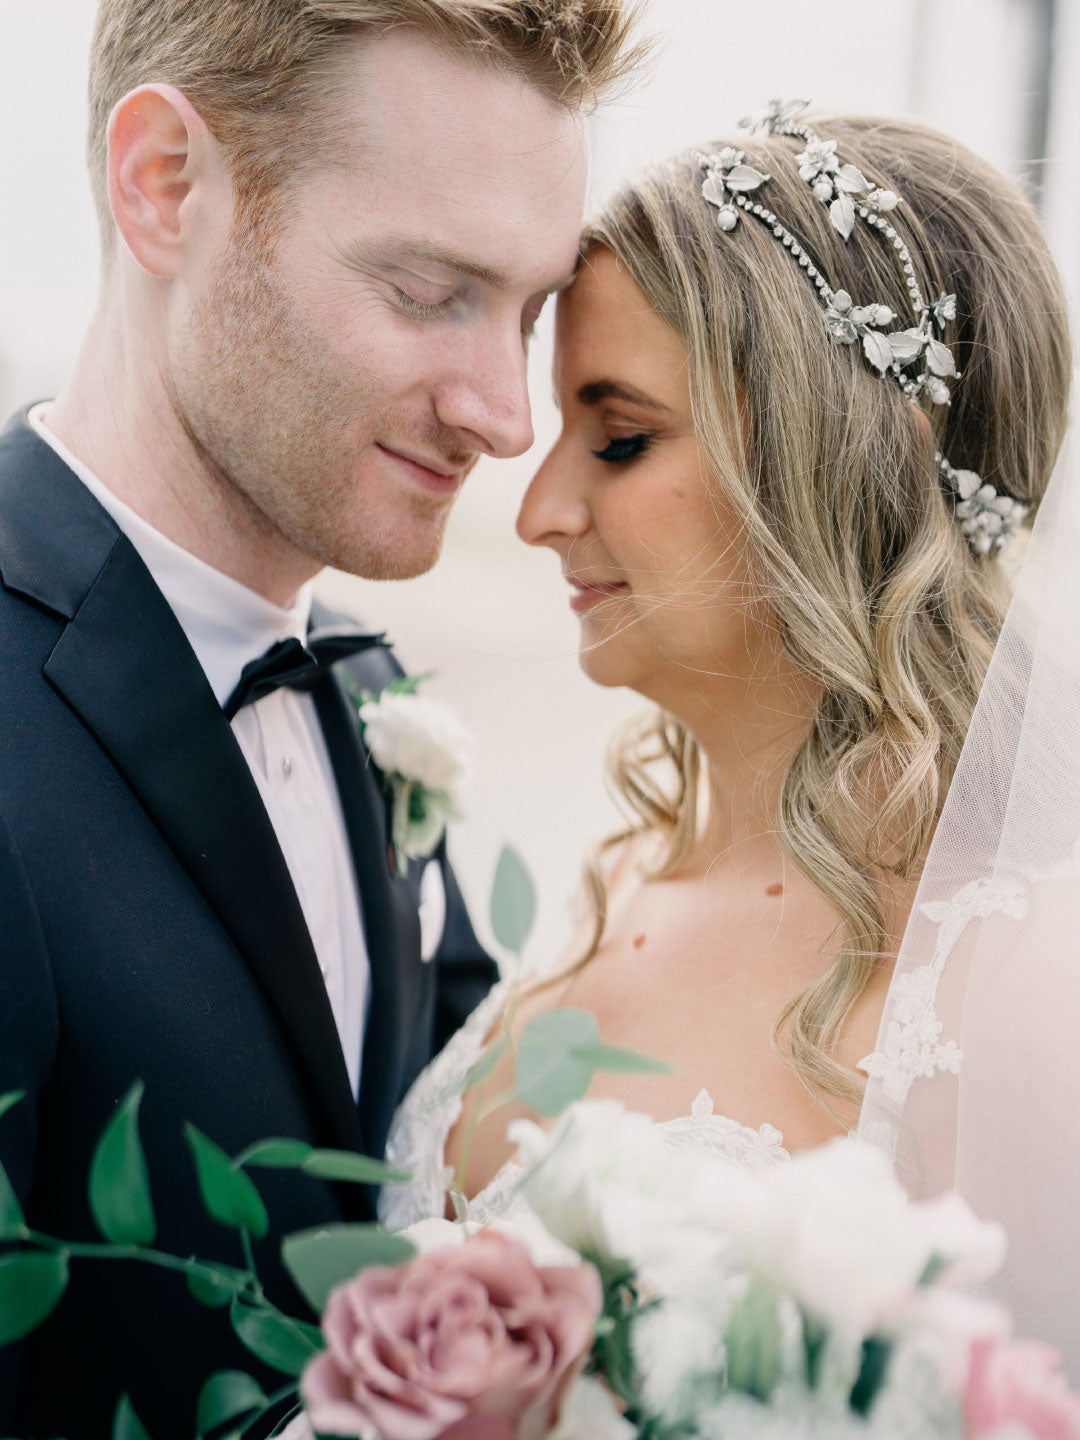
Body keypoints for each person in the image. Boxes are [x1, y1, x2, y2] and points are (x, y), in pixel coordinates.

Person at [0, 3, 643, 1436]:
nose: (503, 410)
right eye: (430, 292)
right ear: (167, 184)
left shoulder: (364, 683)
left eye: (530, 311)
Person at [379, 103, 1073, 1327]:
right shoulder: (620, 876)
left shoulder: (1015, 989)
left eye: (624, 437)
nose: (541, 509)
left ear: (858, 464)